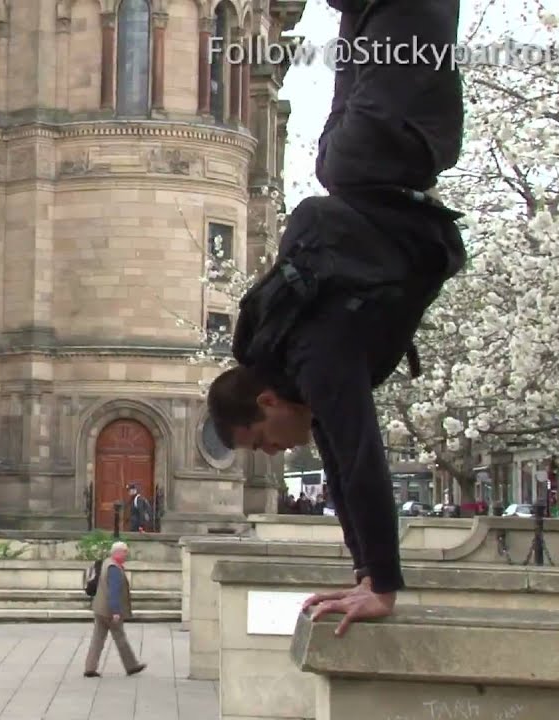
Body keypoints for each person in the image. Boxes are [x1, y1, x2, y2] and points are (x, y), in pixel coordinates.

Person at [207, 0, 467, 638]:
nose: (275, 450)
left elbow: (361, 460)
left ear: (266, 400)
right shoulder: (293, 358)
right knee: (368, 23)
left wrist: (383, 584)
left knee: (418, 16)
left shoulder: (314, 361)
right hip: (351, 164)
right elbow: (341, 465)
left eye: (262, 438)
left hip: (380, 160)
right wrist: (365, 572)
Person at [84, 541, 147, 677]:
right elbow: (114, 591)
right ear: (117, 552)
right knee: (120, 637)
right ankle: (131, 666)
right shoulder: (114, 568)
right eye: (125, 552)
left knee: (97, 638)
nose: (126, 555)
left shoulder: (107, 562)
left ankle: (90, 667)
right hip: (109, 611)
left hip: (99, 608)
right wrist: (116, 611)